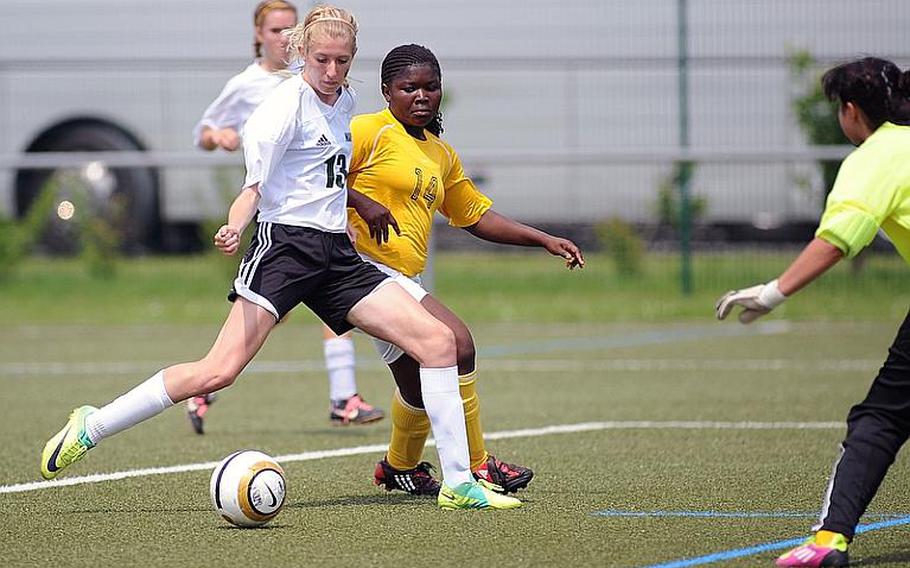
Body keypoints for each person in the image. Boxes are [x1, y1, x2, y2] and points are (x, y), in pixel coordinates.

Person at [40, 4, 519, 512]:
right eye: (321, 61)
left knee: (439, 342)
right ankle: (92, 424)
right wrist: (233, 224)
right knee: (217, 372)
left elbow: (331, 179)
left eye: (341, 61)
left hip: (338, 254)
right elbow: (254, 188)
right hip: (284, 250)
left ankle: (459, 483)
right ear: (301, 55)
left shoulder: (346, 99)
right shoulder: (279, 109)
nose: (331, 72)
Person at [342, 44, 585, 496]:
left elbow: (476, 216)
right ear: (386, 91)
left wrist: (543, 239)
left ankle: (399, 467)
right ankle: (478, 466)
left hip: (400, 279)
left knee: (417, 386)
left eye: (430, 87)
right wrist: (359, 203)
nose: (421, 96)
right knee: (457, 343)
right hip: (363, 271)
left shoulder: (440, 154)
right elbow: (319, 174)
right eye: (408, 87)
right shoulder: (366, 130)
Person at [716, 57, 910, 567]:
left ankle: (828, 542)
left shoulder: (879, 154)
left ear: (850, 111)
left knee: (880, 420)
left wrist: (772, 293)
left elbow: (838, 239)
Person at [190, 0, 383, 434]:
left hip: (323, 226)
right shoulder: (252, 86)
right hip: (279, 219)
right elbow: (205, 132)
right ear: (259, 35)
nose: (282, 36)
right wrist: (216, 137)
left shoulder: (333, 88)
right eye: (274, 29)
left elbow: (327, 160)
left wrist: (344, 210)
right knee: (261, 327)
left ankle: (343, 397)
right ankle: (207, 384)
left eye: (288, 28)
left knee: (340, 308)